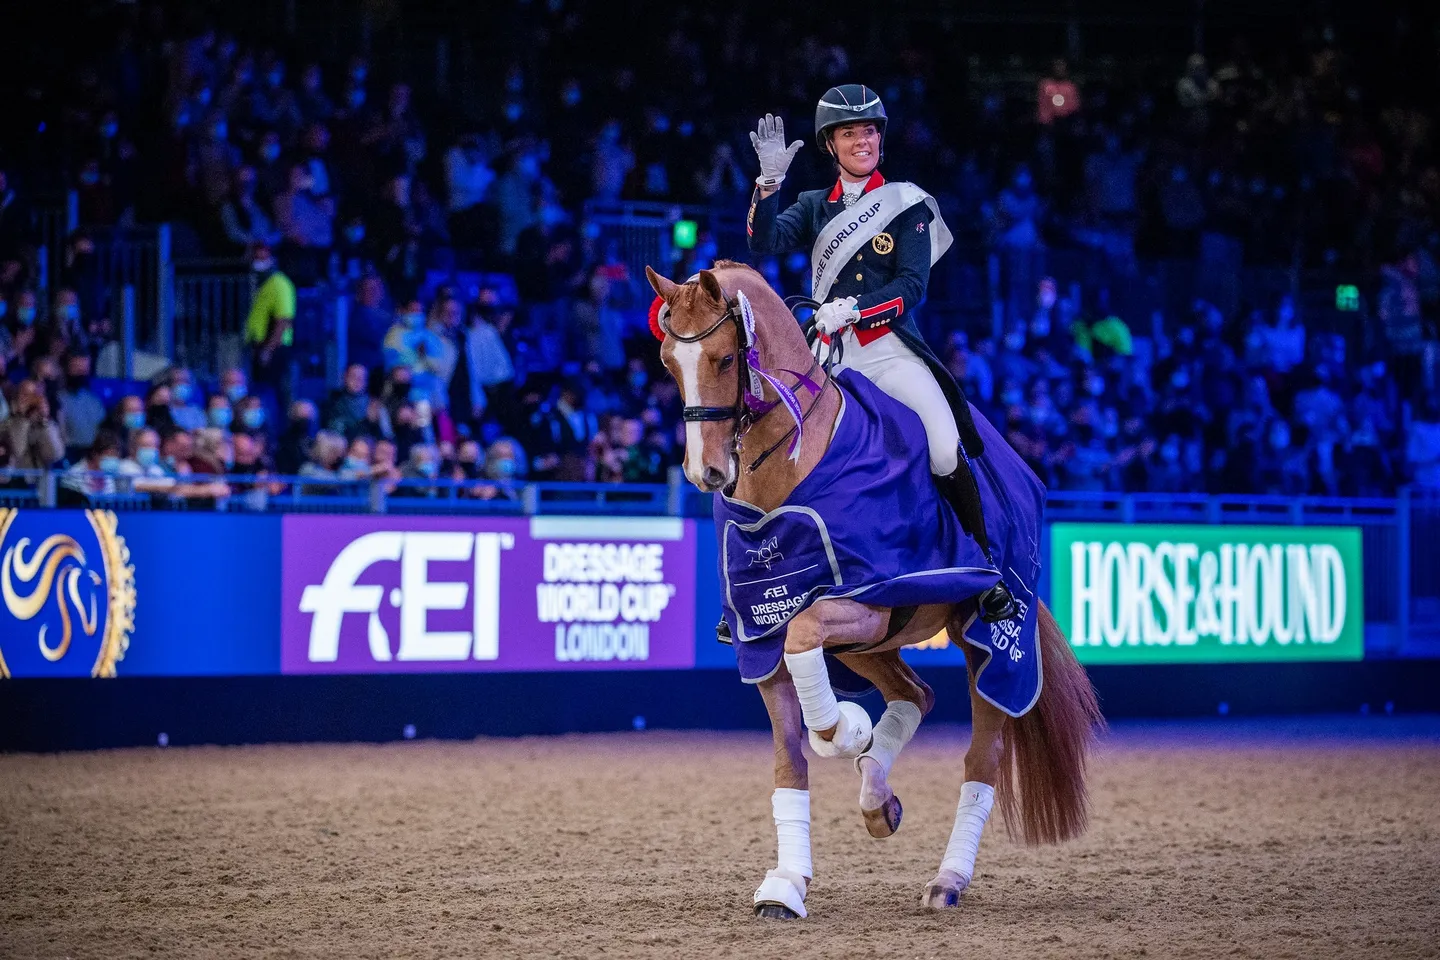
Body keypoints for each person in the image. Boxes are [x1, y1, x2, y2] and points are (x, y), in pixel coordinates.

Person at [745, 84, 1016, 621]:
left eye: (869, 130)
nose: (862, 141)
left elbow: (912, 285)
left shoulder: (905, 204)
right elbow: (763, 241)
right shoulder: (813, 205)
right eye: (849, 133)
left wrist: (855, 309)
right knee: (766, 440)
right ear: (831, 145)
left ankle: (983, 567)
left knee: (944, 447)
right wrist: (769, 183)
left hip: (888, 349)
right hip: (828, 356)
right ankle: (757, 579)